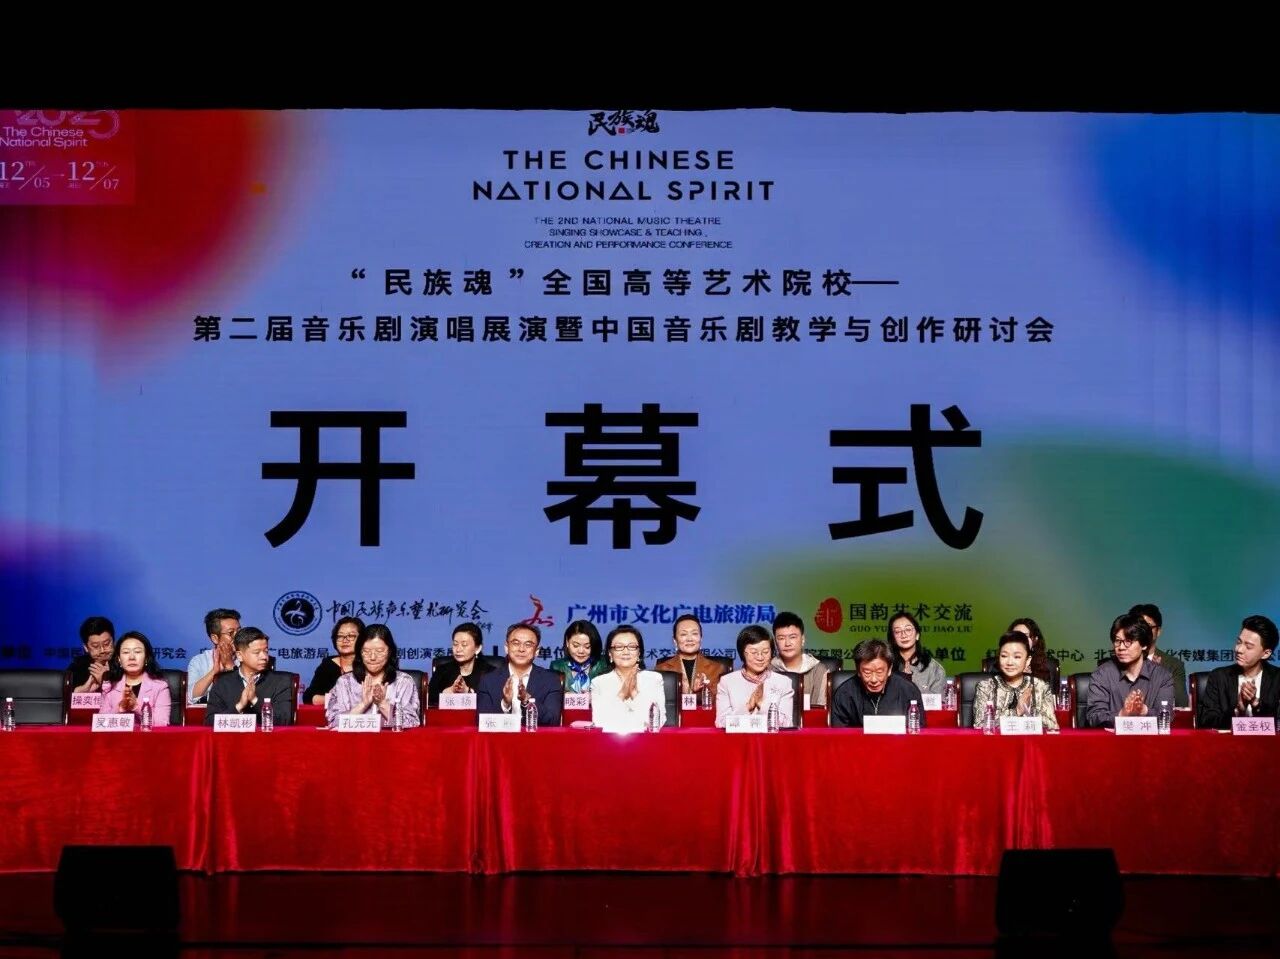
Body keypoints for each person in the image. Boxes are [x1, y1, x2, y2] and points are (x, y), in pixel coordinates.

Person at [1085, 613, 1175, 728]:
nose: (1121, 647)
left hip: (1149, 739)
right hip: (1111, 739)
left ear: (1144, 645)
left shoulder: (1162, 676)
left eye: (1128, 641)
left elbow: (1167, 716)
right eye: (1117, 641)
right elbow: (1094, 717)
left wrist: (1144, 710)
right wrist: (1122, 714)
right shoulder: (1102, 674)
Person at [325, 624, 420, 728]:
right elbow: (333, 722)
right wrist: (363, 704)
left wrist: (382, 704)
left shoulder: (403, 682)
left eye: (379, 651)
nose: (373, 657)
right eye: (366, 651)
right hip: (354, 738)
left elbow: (411, 722)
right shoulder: (345, 682)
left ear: (389, 652)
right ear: (359, 652)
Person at [1196, 615, 1279, 729]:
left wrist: (1256, 705)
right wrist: (1237, 711)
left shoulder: (1277, 679)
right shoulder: (1219, 676)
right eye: (1239, 642)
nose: (1239, 649)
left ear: (1266, 653)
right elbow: (1206, 720)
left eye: (1248, 646)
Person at [204, 626, 295, 725]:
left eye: (266, 651)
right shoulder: (222, 682)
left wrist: (255, 700)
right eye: (257, 652)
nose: (264, 657)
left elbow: (284, 721)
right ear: (239, 656)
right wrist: (239, 706)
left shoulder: (282, 681)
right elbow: (210, 722)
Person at [476, 624, 563, 726]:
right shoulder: (488, 681)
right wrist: (505, 704)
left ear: (537, 651)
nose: (521, 649)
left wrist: (527, 701)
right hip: (500, 736)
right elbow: (482, 722)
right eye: (516, 643)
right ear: (506, 647)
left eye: (528, 645)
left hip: (535, 736)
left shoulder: (550, 680)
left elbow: (553, 721)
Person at [971, 631, 1059, 730]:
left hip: (1031, 740)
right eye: (1004, 656)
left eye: (1017, 657)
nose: (1009, 662)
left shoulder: (1041, 686)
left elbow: (1053, 725)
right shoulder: (985, 686)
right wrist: (1016, 711)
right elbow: (979, 725)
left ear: (1027, 661)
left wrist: (1028, 711)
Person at [830, 639, 926, 728]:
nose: (874, 679)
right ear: (858, 671)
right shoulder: (844, 694)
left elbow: (918, 731)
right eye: (867, 672)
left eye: (879, 672)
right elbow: (839, 734)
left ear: (889, 670)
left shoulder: (908, 690)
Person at [715, 625, 795, 728]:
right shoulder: (727, 682)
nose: (760, 657)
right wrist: (748, 707)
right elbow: (721, 723)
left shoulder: (783, 682)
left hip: (771, 738)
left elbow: (787, 724)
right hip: (738, 737)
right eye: (754, 652)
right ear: (742, 653)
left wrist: (762, 705)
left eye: (765, 652)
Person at [590, 625, 666, 732]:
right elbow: (599, 722)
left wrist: (635, 694)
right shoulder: (599, 683)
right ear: (610, 654)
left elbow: (658, 722)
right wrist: (622, 694)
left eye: (632, 646)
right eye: (618, 647)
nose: (626, 652)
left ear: (639, 653)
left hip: (646, 740)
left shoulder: (654, 679)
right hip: (610, 741)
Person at [97, 631, 171, 726]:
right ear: (119, 659)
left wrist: (136, 707)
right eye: (126, 652)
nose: (131, 657)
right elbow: (101, 722)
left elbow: (162, 723)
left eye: (137, 652)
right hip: (118, 736)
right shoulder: (110, 686)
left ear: (146, 658)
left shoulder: (160, 687)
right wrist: (120, 708)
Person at [1129, 603, 1188, 708]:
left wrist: (1159, 675)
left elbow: (1181, 703)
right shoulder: (1115, 664)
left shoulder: (1173, 665)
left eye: (1148, 626)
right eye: (1139, 627)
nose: (1144, 631)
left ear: (1158, 631)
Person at [655, 614, 727, 699]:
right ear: (675, 641)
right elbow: (658, 701)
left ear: (701, 638)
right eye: (683, 634)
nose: (689, 639)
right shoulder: (662, 669)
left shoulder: (717, 669)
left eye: (694, 633)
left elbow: (720, 701)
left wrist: (698, 692)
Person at [427, 622, 494, 706]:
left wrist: (467, 692)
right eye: (455, 644)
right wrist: (449, 691)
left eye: (464, 645)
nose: (458, 649)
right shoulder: (442, 671)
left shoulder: (491, 673)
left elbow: (493, 702)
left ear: (478, 648)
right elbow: (429, 699)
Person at [770, 610, 829, 706]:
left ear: (803, 639)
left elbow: (822, 709)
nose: (787, 643)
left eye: (792, 637)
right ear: (775, 642)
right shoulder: (767, 669)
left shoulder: (820, 671)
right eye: (781, 638)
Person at [303, 617, 365, 705]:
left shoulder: (369, 664)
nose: (345, 640)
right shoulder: (328, 665)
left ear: (362, 639)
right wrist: (336, 699)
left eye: (351, 636)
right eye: (340, 636)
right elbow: (309, 697)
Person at [187, 608, 241, 704]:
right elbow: (191, 698)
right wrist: (214, 672)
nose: (237, 637)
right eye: (231, 633)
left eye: (239, 631)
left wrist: (231, 666)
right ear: (215, 638)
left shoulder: (248, 658)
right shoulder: (199, 661)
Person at [888, 612, 947, 696]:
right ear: (893, 638)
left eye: (908, 630)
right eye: (897, 631)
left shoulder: (935, 669)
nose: (903, 635)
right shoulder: (885, 666)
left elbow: (939, 702)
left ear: (917, 635)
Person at [550, 620, 611, 694]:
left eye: (587, 647)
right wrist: (563, 697)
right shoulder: (557, 667)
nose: (581, 651)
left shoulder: (604, 664)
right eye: (576, 646)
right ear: (567, 642)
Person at [1004, 617, 1058, 686]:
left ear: (1035, 640)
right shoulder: (996, 666)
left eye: (1025, 636)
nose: (1019, 639)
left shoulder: (1048, 667)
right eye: (1015, 635)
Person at [69, 616, 115, 693]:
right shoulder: (77, 666)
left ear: (113, 641)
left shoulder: (124, 663)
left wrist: (105, 682)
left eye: (106, 644)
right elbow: (62, 694)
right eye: (95, 646)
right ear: (86, 648)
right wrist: (80, 691)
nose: (102, 650)